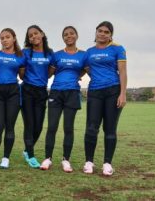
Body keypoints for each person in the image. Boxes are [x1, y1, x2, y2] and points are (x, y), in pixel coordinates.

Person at [83, 21, 127, 176]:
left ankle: (107, 163)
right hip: (95, 92)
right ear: (96, 32)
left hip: (113, 92)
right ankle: (89, 162)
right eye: (100, 31)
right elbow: (86, 69)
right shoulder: (89, 52)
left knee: (110, 129)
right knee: (91, 128)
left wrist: (122, 93)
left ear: (111, 35)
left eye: (106, 32)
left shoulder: (117, 49)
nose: (102, 34)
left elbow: (122, 72)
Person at [40, 26, 86, 172]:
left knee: (68, 128)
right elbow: (49, 73)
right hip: (56, 92)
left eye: (71, 34)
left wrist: (78, 76)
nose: (68, 36)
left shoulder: (83, 55)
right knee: (52, 127)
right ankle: (48, 158)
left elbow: (86, 69)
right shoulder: (57, 55)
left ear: (76, 36)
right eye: (65, 35)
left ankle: (66, 160)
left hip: (72, 93)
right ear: (63, 38)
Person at [0, 28, 25, 169]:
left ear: (14, 38)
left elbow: (22, 75)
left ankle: (5, 158)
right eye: (2, 38)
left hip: (13, 92)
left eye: (7, 37)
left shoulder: (21, 56)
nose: (4, 40)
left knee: (10, 126)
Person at [21, 25, 54, 168]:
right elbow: (21, 73)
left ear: (42, 33)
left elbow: (50, 72)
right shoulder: (26, 52)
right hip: (27, 90)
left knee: (39, 126)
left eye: (36, 33)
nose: (34, 36)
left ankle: (26, 150)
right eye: (30, 35)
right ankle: (31, 155)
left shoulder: (50, 53)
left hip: (41, 91)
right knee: (29, 124)